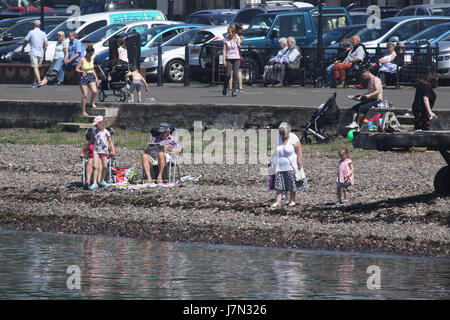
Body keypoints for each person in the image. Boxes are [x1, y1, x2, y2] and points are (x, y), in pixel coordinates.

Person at [271, 122, 307, 208]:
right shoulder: (278, 138)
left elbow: (299, 150)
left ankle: (292, 200)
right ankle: (278, 201)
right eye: (280, 132)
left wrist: (299, 161)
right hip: (280, 165)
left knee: (291, 183)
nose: (281, 134)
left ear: (287, 131)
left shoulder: (293, 137)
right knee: (279, 185)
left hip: (291, 165)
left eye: (283, 133)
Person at [80, 116, 116, 190]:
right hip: (96, 150)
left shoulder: (106, 132)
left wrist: (112, 150)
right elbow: (91, 141)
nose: (95, 125)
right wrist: (84, 150)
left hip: (104, 151)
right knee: (95, 166)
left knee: (105, 166)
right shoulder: (94, 131)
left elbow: (110, 141)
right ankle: (95, 183)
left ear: (101, 123)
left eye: (97, 124)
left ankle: (102, 180)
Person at [21, 20, 48, 88]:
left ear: (34, 25)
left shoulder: (31, 32)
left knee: (35, 67)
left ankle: (39, 81)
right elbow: (46, 44)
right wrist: (44, 51)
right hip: (40, 53)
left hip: (33, 52)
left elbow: (26, 41)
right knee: (37, 68)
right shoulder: (43, 33)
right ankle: (34, 82)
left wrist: (22, 48)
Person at [75, 44, 99, 117]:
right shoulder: (82, 59)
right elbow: (76, 69)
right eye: (90, 54)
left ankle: (92, 102)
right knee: (85, 95)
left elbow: (92, 69)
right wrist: (82, 71)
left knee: (94, 91)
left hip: (91, 75)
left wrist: (96, 77)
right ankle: (83, 111)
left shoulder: (92, 59)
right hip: (84, 76)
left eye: (92, 54)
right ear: (87, 53)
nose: (91, 55)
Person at [222, 25, 241, 97]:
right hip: (228, 58)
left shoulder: (237, 37)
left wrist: (238, 42)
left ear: (234, 32)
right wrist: (223, 60)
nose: (229, 33)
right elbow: (224, 50)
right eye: (228, 32)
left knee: (235, 74)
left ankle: (234, 90)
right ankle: (225, 86)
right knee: (228, 74)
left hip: (236, 58)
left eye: (231, 32)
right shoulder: (225, 39)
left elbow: (239, 46)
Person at [229, 23, 244, 92]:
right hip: (236, 55)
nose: (242, 30)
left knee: (237, 71)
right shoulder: (237, 36)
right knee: (236, 71)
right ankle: (233, 87)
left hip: (237, 55)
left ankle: (237, 87)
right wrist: (240, 41)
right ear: (238, 29)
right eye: (241, 28)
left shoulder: (237, 36)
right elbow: (238, 45)